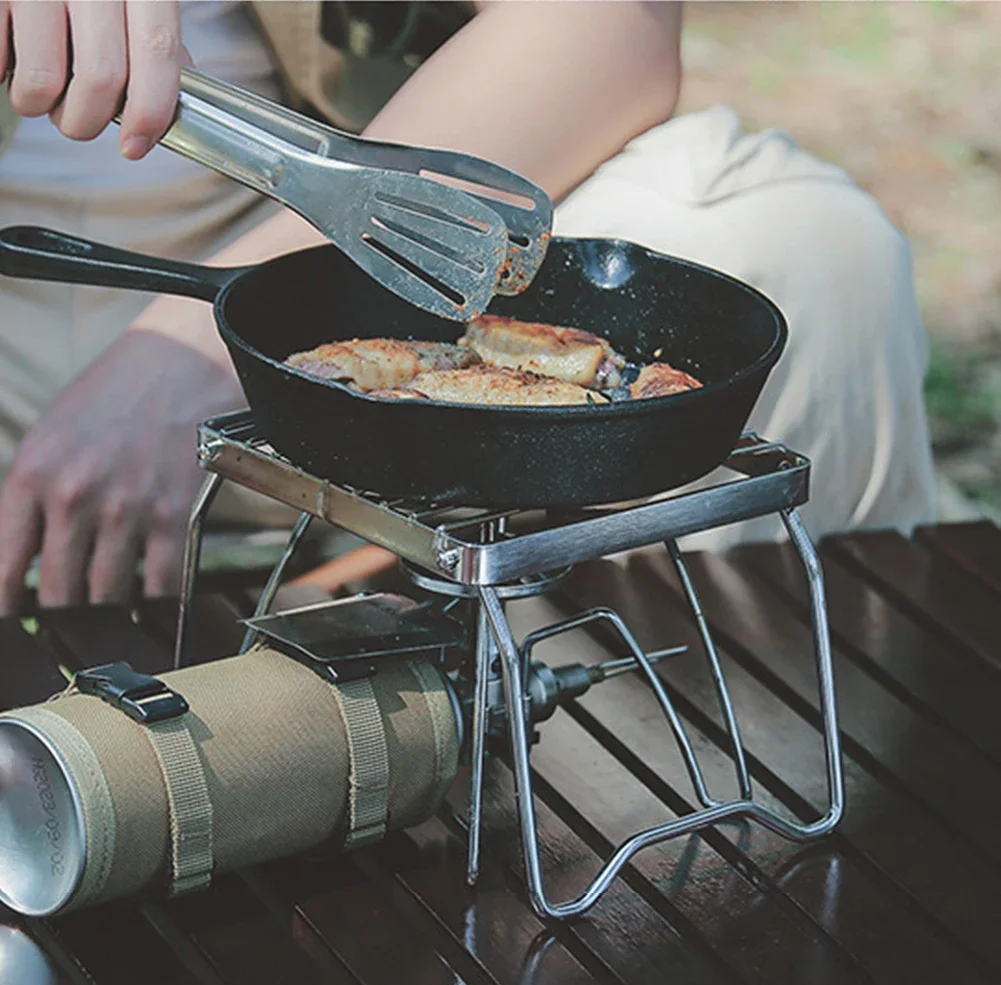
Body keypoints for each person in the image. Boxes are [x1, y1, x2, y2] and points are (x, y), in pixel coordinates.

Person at [0, 0, 937, 615]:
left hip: (319, 258)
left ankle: (684, 798)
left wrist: (211, 336)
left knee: (797, 246)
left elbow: (601, 21)